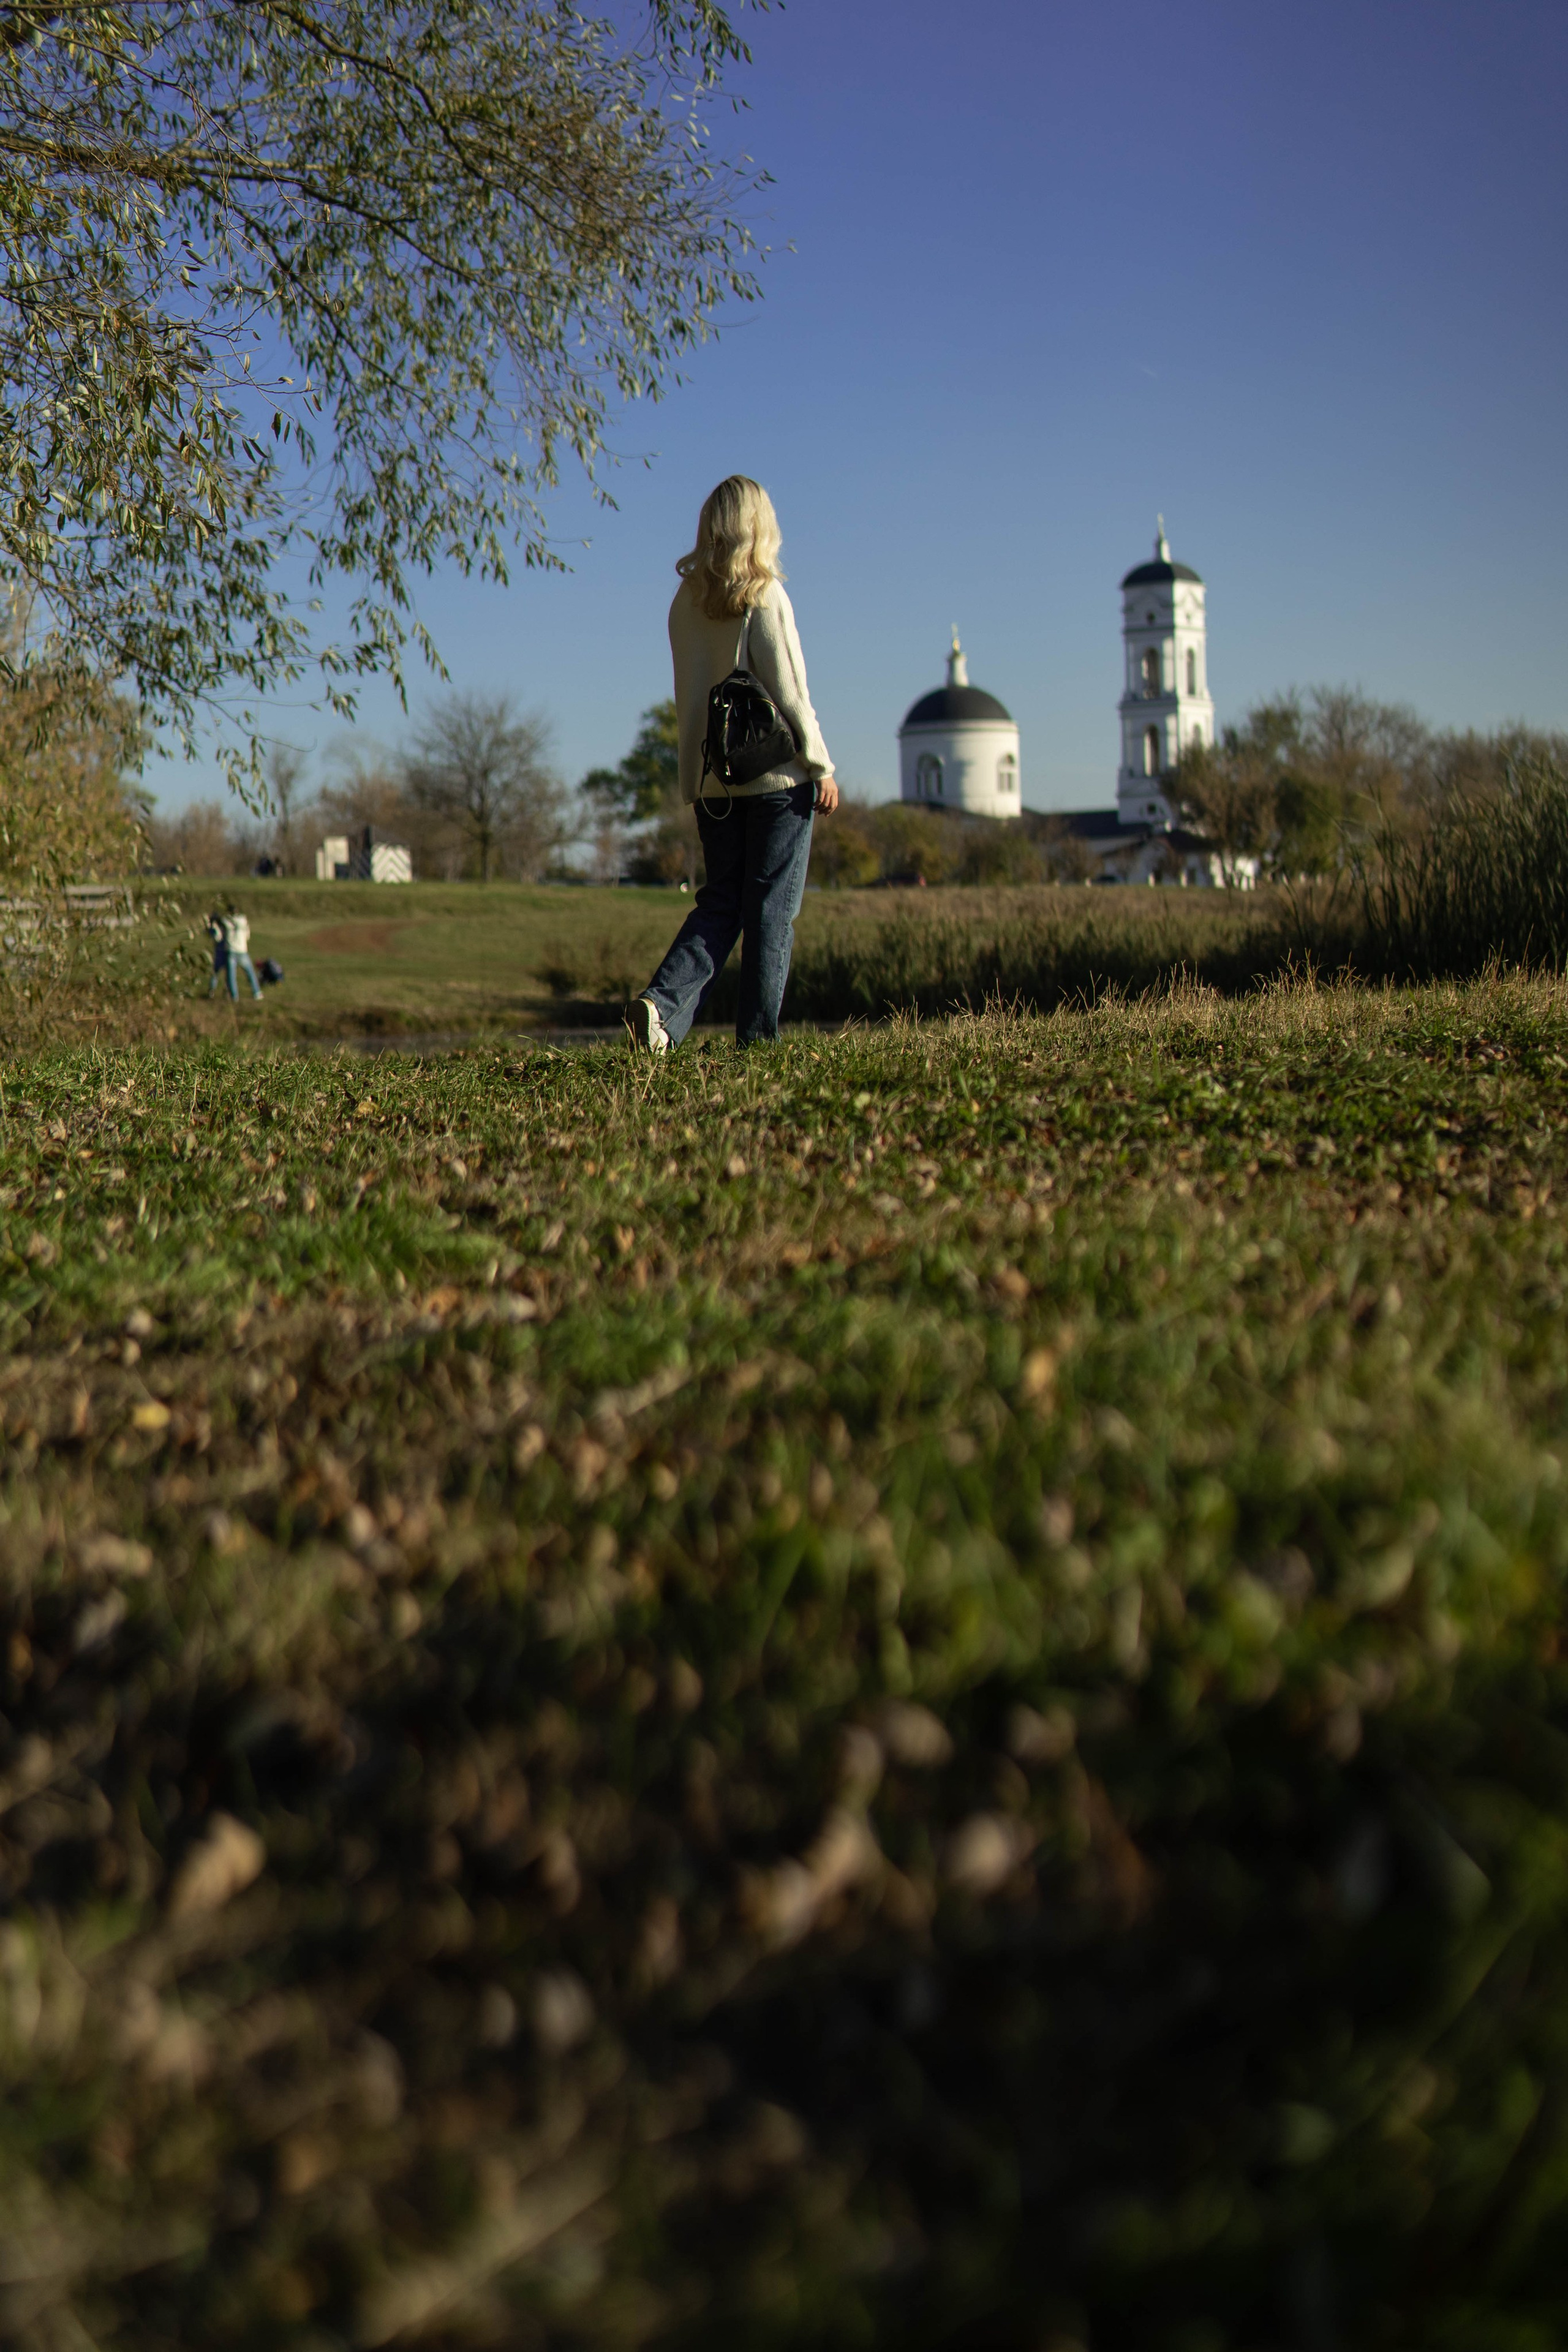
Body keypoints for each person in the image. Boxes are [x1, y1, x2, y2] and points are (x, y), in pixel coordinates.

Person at [627, 476, 837, 1052]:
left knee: (721, 901)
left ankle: (660, 1008)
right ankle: (758, 1043)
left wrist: (692, 783)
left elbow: (689, 693)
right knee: (772, 911)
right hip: (776, 779)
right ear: (759, 525)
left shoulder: (685, 602)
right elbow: (789, 691)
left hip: (712, 781)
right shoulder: (764, 595)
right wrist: (819, 763)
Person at [220, 902, 263, 1001]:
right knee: (250, 973)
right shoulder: (243, 920)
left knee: (231, 976)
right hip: (243, 950)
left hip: (231, 950)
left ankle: (234, 997)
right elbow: (247, 936)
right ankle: (257, 993)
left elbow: (221, 934)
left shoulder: (225, 921)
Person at [205, 910, 229, 996]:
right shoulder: (224, 926)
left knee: (216, 972)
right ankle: (227, 990)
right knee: (227, 973)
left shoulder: (215, 928)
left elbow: (215, 937)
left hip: (220, 951)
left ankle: (212, 990)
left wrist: (209, 928)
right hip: (227, 950)